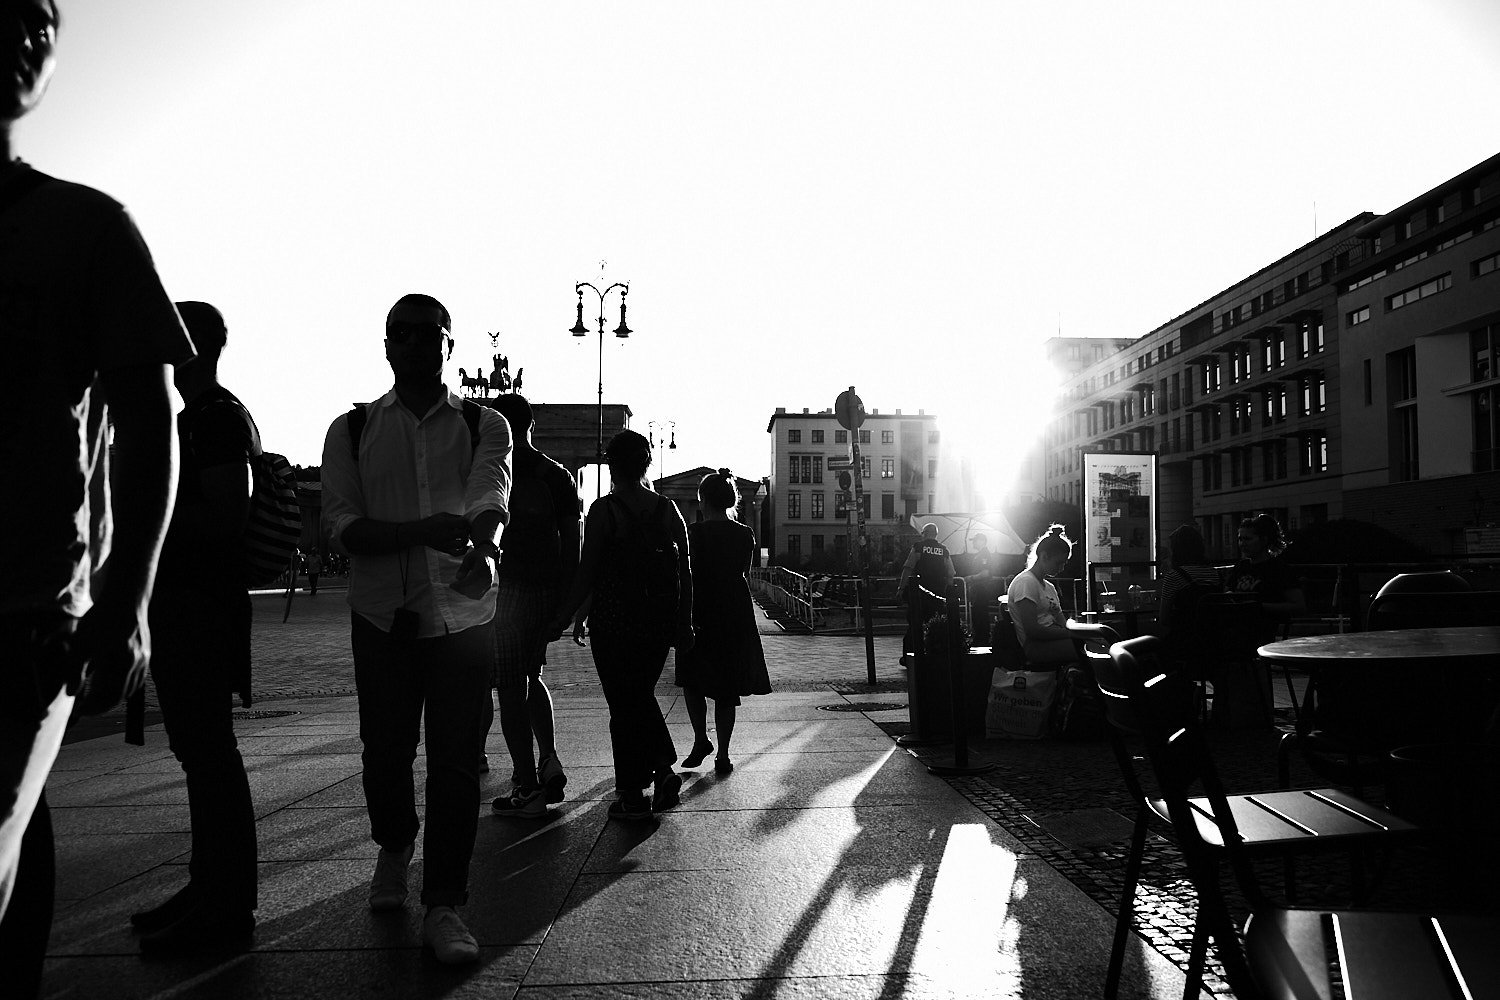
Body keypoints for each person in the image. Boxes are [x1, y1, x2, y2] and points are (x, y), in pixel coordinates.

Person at [1, 4, 192, 995]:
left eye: (43, 19)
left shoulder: (85, 228)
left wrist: (124, 602)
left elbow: (148, 424)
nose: (28, 34)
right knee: (15, 835)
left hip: (28, 614)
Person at [320, 293, 511, 965]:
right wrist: (422, 535)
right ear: (386, 345)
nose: (417, 342)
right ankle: (395, 842)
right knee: (385, 755)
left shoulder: (487, 424)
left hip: (462, 619)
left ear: (450, 346)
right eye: (402, 333)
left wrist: (484, 551)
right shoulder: (351, 430)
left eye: (431, 332)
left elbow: (491, 494)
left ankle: (445, 904)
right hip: (383, 619)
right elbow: (344, 527)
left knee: (457, 765)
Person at [131, 302, 260, 957]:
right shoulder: (200, 416)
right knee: (199, 751)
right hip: (187, 605)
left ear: (188, 346)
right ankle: (207, 886)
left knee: (210, 753)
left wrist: (148, 523)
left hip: (199, 608)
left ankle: (227, 901)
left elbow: (226, 514)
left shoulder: (213, 420)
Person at [551, 430, 693, 821]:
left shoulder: (604, 511)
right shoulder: (668, 510)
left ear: (611, 465)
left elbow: (590, 570)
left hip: (614, 622)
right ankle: (659, 772)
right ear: (647, 463)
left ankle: (634, 792)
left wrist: (566, 615)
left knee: (625, 704)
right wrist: (685, 623)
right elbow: (685, 572)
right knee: (638, 697)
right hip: (657, 621)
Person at [485, 393, 580, 820]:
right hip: (544, 590)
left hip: (504, 592)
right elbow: (572, 542)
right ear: (532, 425)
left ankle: (525, 782)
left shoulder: (491, 472)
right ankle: (550, 758)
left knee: (509, 688)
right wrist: (567, 600)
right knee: (531, 676)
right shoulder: (558, 476)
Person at [675, 469, 772, 776]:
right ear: (732, 500)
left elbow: (683, 574)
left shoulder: (693, 533)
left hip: (699, 610)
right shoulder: (745, 534)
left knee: (691, 679)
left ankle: (701, 739)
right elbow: (744, 570)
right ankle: (724, 756)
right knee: (726, 688)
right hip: (732, 612)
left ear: (702, 500)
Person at [1005, 525, 1077, 667]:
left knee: (1096, 644)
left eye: (1064, 563)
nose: (1061, 568)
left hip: (1050, 641)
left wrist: (1074, 630)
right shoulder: (1025, 583)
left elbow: (1062, 621)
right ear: (1044, 556)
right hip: (1036, 646)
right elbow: (1033, 631)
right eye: (1059, 563)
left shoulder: (1049, 587)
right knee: (1091, 649)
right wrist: (1070, 633)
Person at [1226, 513, 1305, 632]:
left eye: (1247, 539)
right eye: (1240, 539)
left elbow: (1298, 606)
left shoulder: (1279, 569)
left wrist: (1259, 607)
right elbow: (1228, 590)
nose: (1242, 544)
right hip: (1237, 626)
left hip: (1263, 629)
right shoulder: (1240, 566)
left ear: (1263, 540)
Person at [1154, 523, 1223, 638]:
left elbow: (1164, 619)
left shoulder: (1174, 576)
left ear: (1175, 551)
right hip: (1214, 637)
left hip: (1184, 638)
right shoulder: (1215, 574)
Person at [897, 523, 954, 657]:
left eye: (922, 533)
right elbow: (951, 572)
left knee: (915, 624)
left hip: (919, 595)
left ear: (925, 533)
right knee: (935, 624)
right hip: (938, 595)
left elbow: (908, 568)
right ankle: (934, 653)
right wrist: (948, 593)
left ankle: (910, 656)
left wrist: (901, 588)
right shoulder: (944, 550)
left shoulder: (918, 547)